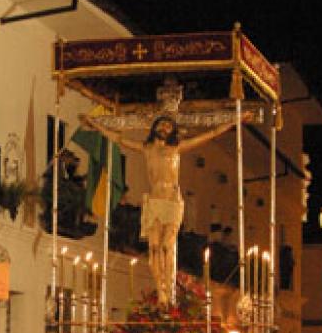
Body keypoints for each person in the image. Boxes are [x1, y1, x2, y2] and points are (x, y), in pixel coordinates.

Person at [82, 114, 234, 305]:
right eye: (161, 124)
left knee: (167, 246)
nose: (164, 128)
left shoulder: (176, 148)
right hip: (154, 200)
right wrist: (96, 124)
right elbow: (118, 138)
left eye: (168, 126)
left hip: (171, 201)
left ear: (173, 131)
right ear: (154, 127)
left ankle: (170, 288)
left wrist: (233, 121)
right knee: (153, 248)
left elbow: (210, 134)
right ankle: (161, 289)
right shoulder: (147, 149)